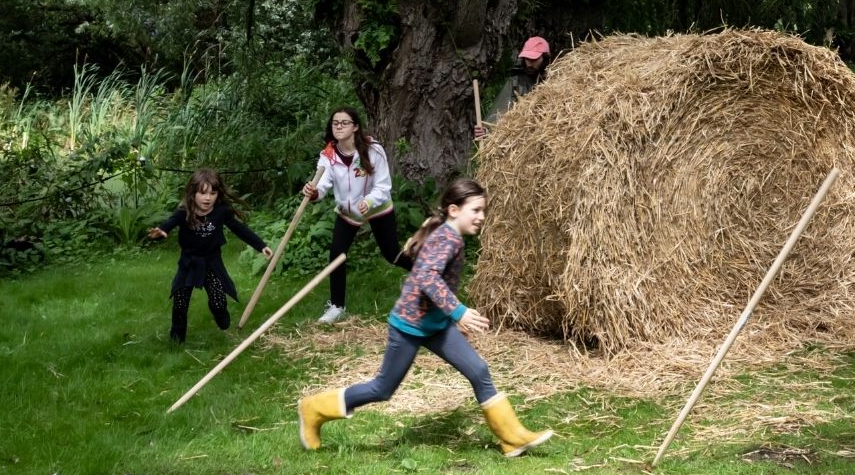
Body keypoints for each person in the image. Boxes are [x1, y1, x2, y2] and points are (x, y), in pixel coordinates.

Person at [297, 177, 553, 457]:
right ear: (454, 210)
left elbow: (433, 281)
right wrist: (459, 311)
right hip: (409, 326)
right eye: (476, 210)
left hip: (435, 325)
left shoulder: (449, 236)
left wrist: (451, 317)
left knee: (478, 371)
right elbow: (426, 278)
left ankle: (511, 438)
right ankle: (314, 408)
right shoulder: (447, 238)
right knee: (382, 389)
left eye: (483, 211)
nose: (481, 217)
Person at [303, 106, 406, 324]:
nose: (339, 127)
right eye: (335, 123)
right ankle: (337, 307)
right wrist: (314, 192)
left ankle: (428, 271)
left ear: (355, 126)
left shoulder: (373, 150)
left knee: (392, 254)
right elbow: (322, 185)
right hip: (348, 211)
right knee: (336, 255)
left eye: (344, 123)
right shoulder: (328, 155)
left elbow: (384, 186)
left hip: (376, 206)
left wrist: (368, 201)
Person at [148, 168, 270, 343]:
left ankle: (219, 313)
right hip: (189, 262)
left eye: (212, 193)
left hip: (212, 262)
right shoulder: (185, 212)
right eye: (202, 193)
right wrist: (161, 232)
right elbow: (169, 223)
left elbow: (239, 229)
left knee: (218, 298)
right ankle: (176, 339)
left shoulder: (221, 211)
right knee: (180, 302)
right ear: (193, 193)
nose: (208, 198)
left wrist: (261, 245)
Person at [474, 35, 552, 138]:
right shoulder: (515, 83)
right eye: (527, 59)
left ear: (545, 59)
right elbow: (499, 112)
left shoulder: (556, 80)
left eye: (534, 59)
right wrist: (487, 130)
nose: (529, 64)